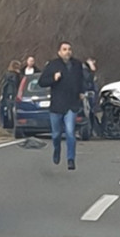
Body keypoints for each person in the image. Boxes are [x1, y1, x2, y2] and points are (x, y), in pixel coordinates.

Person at [38, 41, 85, 170]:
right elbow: (41, 82)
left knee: (70, 132)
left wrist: (81, 92)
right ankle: (57, 149)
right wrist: (53, 78)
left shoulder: (77, 64)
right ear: (59, 52)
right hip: (57, 105)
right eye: (64, 49)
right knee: (56, 134)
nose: (67, 52)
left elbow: (81, 80)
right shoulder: (53, 65)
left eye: (69, 49)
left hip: (72, 104)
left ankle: (71, 159)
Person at [0, 60, 22, 128]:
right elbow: (15, 84)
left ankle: (6, 123)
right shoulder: (14, 75)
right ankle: (11, 124)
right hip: (11, 93)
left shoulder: (7, 74)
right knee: (11, 108)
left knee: (7, 109)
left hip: (7, 94)